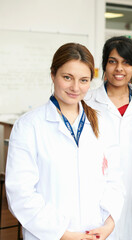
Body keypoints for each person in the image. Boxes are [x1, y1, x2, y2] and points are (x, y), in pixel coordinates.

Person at [6, 43, 124, 240]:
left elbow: (114, 180)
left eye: (84, 80)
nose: (75, 87)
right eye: (67, 77)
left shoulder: (103, 124)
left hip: (96, 234)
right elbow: (20, 193)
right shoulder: (29, 126)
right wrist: (63, 234)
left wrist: (109, 223)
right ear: (53, 75)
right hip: (49, 235)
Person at [85, 36, 132, 240]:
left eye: (126, 62)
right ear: (104, 65)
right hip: (98, 195)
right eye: (113, 61)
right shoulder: (87, 102)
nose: (119, 69)